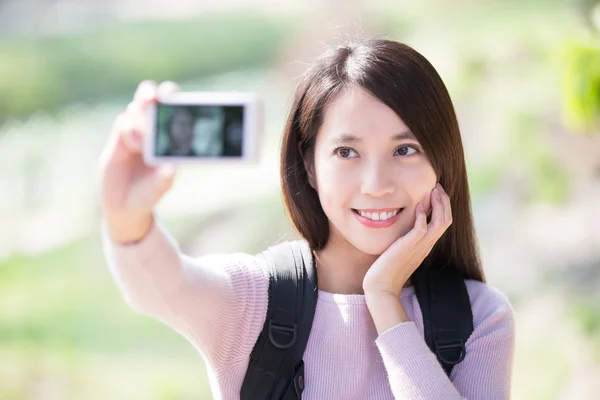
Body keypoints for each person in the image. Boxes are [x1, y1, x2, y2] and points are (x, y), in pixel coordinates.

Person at [97, 38, 515, 399]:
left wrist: (386, 301)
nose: (376, 184)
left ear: (441, 163)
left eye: (404, 150)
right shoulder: (254, 300)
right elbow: (162, 286)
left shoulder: (478, 318)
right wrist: (125, 212)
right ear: (309, 165)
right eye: (346, 152)